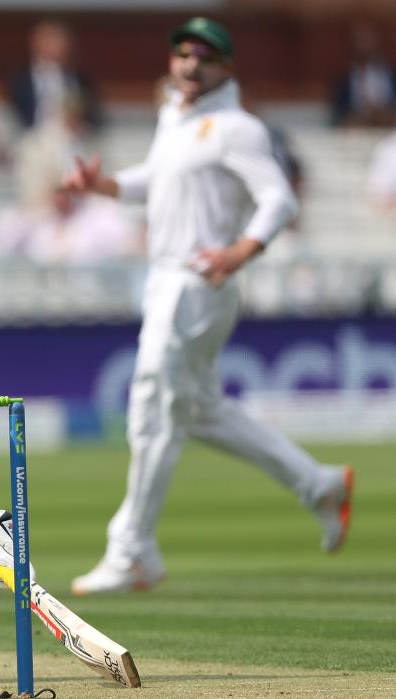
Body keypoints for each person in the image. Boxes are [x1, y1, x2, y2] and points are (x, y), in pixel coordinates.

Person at [61, 17, 353, 596]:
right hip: (166, 279)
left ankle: (132, 548)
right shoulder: (176, 116)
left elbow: (279, 198)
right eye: (182, 55)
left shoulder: (237, 128)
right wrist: (108, 186)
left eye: (205, 57)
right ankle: (318, 483)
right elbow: (158, 180)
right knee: (197, 411)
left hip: (198, 280)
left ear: (226, 66)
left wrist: (240, 250)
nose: (191, 65)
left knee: (151, 402)